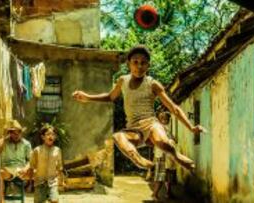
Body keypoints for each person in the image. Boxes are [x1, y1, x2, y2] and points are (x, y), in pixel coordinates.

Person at [72, 45, 205, 171]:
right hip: (134, 129)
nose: (139, 66)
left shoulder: (153, 84)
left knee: (162, 142)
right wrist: (88, 97)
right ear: (129, 64)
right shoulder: (122, 81)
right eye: (135, 62)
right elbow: (110, 97)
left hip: (151, 124)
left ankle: (175, 154)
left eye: (143, 63)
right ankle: (138, 159)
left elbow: (173, 108)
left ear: (148, 65)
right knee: (118, 136)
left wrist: (191, 128)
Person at [29, 124, 65, 203]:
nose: (51, 136)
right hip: (39, 182)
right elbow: (32, 167)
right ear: (43, 137)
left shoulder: (57, 150)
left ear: (55, 137)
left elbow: (59, 167)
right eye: (48, 134)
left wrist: (62, 181)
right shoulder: (37, 150)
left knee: (54, 200)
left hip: (52, 182)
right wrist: (30, 183)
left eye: (53, 134)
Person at [0, 120, 32, 203]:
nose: (16, 135)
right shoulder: (4, 142)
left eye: (18, 133)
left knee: (36, 172)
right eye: (14, 133)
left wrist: (25, 168)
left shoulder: (26, 144)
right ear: (10, 133)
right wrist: (4, 136)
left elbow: (31, 160)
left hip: (22, 170)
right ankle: (1, 200)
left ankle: (35, 193)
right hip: (8, 170)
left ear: (21, 133)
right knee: (0, 173)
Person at [152, 111, 177, 200]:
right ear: (160, 120)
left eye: (166, 119)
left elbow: (171, 139)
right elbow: (162, 141)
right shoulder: (159, 129)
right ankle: (154, 194)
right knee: (160, 176)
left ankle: (168, 193)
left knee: (169, 176)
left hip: (168, 155)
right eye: (162, 119)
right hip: (161, 155)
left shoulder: (167, 129)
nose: (165, 120)